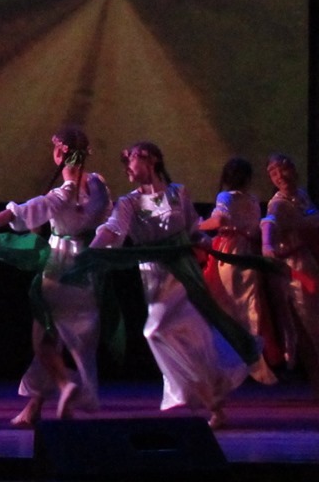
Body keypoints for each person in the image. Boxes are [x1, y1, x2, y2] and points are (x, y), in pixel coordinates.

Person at [0, 126, 111, 427]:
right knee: (72, 340)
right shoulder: (99, 186)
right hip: (88, 270)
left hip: (60, 268)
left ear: (61, 152)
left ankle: (65, 384)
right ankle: (34, 408)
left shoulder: (60, 195)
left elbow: (17, 214)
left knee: (43, 342)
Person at [87, 142, 251, 429]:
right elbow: (113, 230)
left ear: (151, 160)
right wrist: (91, 252)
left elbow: (193, 229)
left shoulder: (178, 193)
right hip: (155, 277)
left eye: (131, 160)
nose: (127, 167)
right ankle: (212, 404)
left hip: (184, 273)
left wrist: (206, 243)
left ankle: (208, 400)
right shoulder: (129, 203)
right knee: (171, 334)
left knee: (179, 335)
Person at [198, 157, 277, 385]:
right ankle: (251, 363)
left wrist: (197, 225)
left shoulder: (226, 197)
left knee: (225, 306)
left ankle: (227, 365)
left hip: (229, 254)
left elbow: (219, 220)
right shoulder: (252, 200)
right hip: (248, 254)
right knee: (248, 305)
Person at [260, 153, 319, 395]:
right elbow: (269, 223)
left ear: (293, 170)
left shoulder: (302, 196)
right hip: (294, 271)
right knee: (307, 324)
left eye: (282, 170)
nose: (279, 176)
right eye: (273, 173)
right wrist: (267, 245)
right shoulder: (278, 203)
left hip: (310, 262)